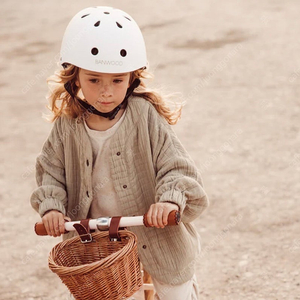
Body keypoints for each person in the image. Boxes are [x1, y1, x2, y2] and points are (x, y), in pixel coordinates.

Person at [30, 6, 209, 300]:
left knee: (175, 288)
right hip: (99, 238)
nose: (106, 92)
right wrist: (51, 207)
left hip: (155, 228)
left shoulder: (144, 115)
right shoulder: (67, 125)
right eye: (93, 79)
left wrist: (168, 200)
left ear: (132, 79)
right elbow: (51, 172)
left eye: (117, 80)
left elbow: (176, 166)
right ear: (74, 78)